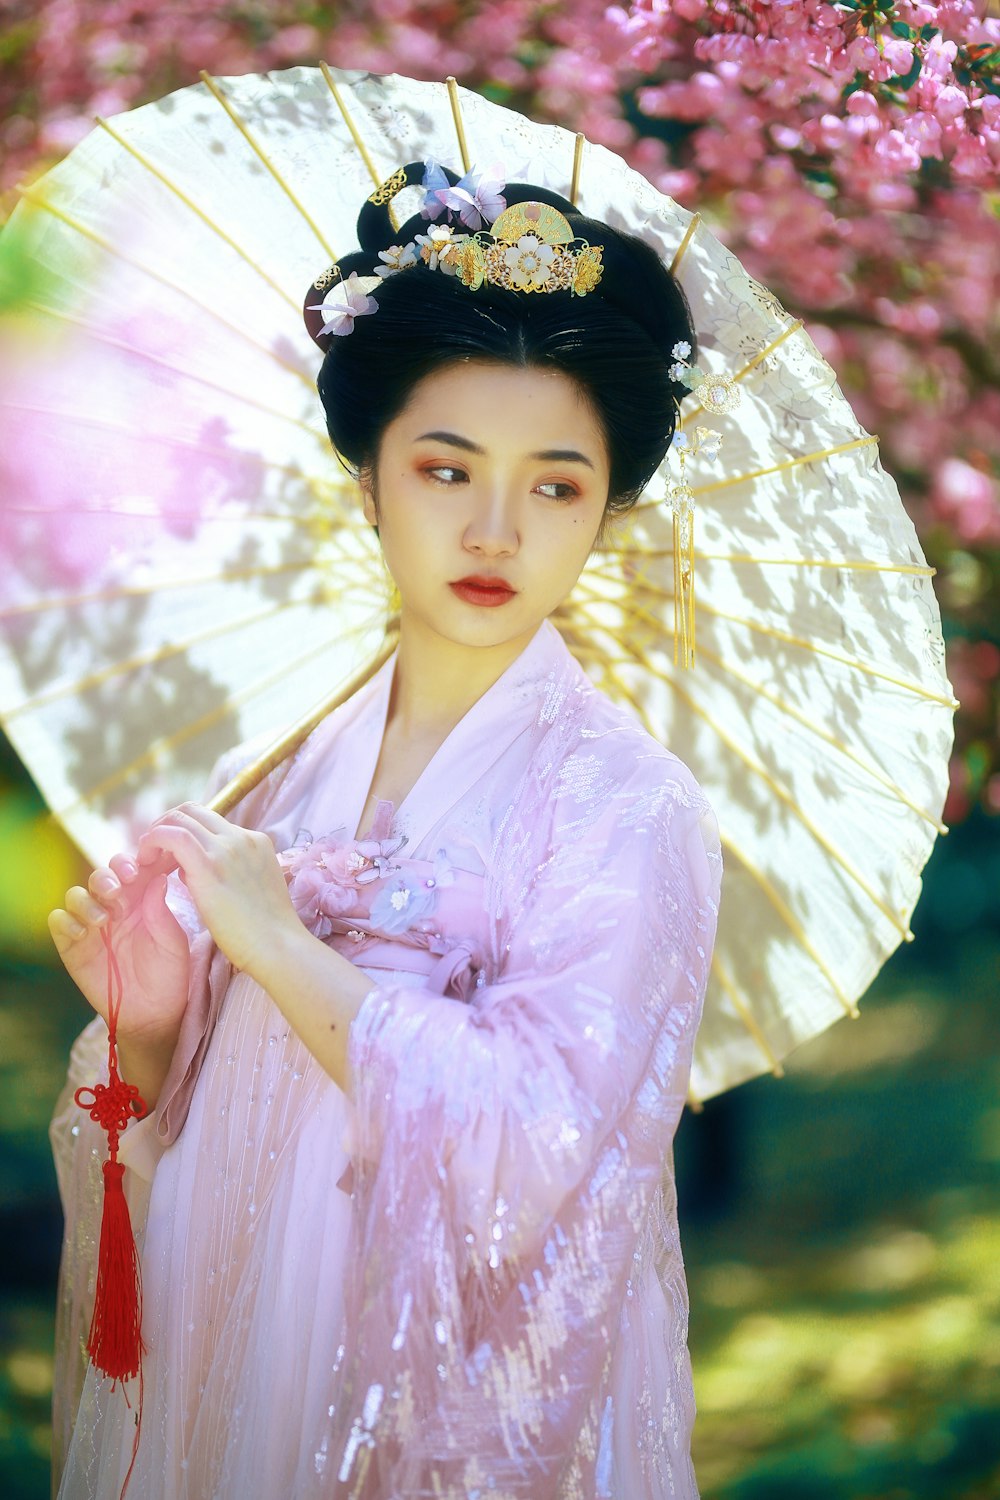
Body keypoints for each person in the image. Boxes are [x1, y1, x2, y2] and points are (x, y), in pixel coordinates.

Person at [47, 160, 723, 1499]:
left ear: (609, 511)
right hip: (228, 1296)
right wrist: (159, 1028)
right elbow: (184, 1105)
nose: (492, 527)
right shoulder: (282, 773)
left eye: (555, 486)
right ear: (368, 479)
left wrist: (285, 953)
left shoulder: (629, 803)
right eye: (445, 467)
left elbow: (549, 1146)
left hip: (433, 1367)